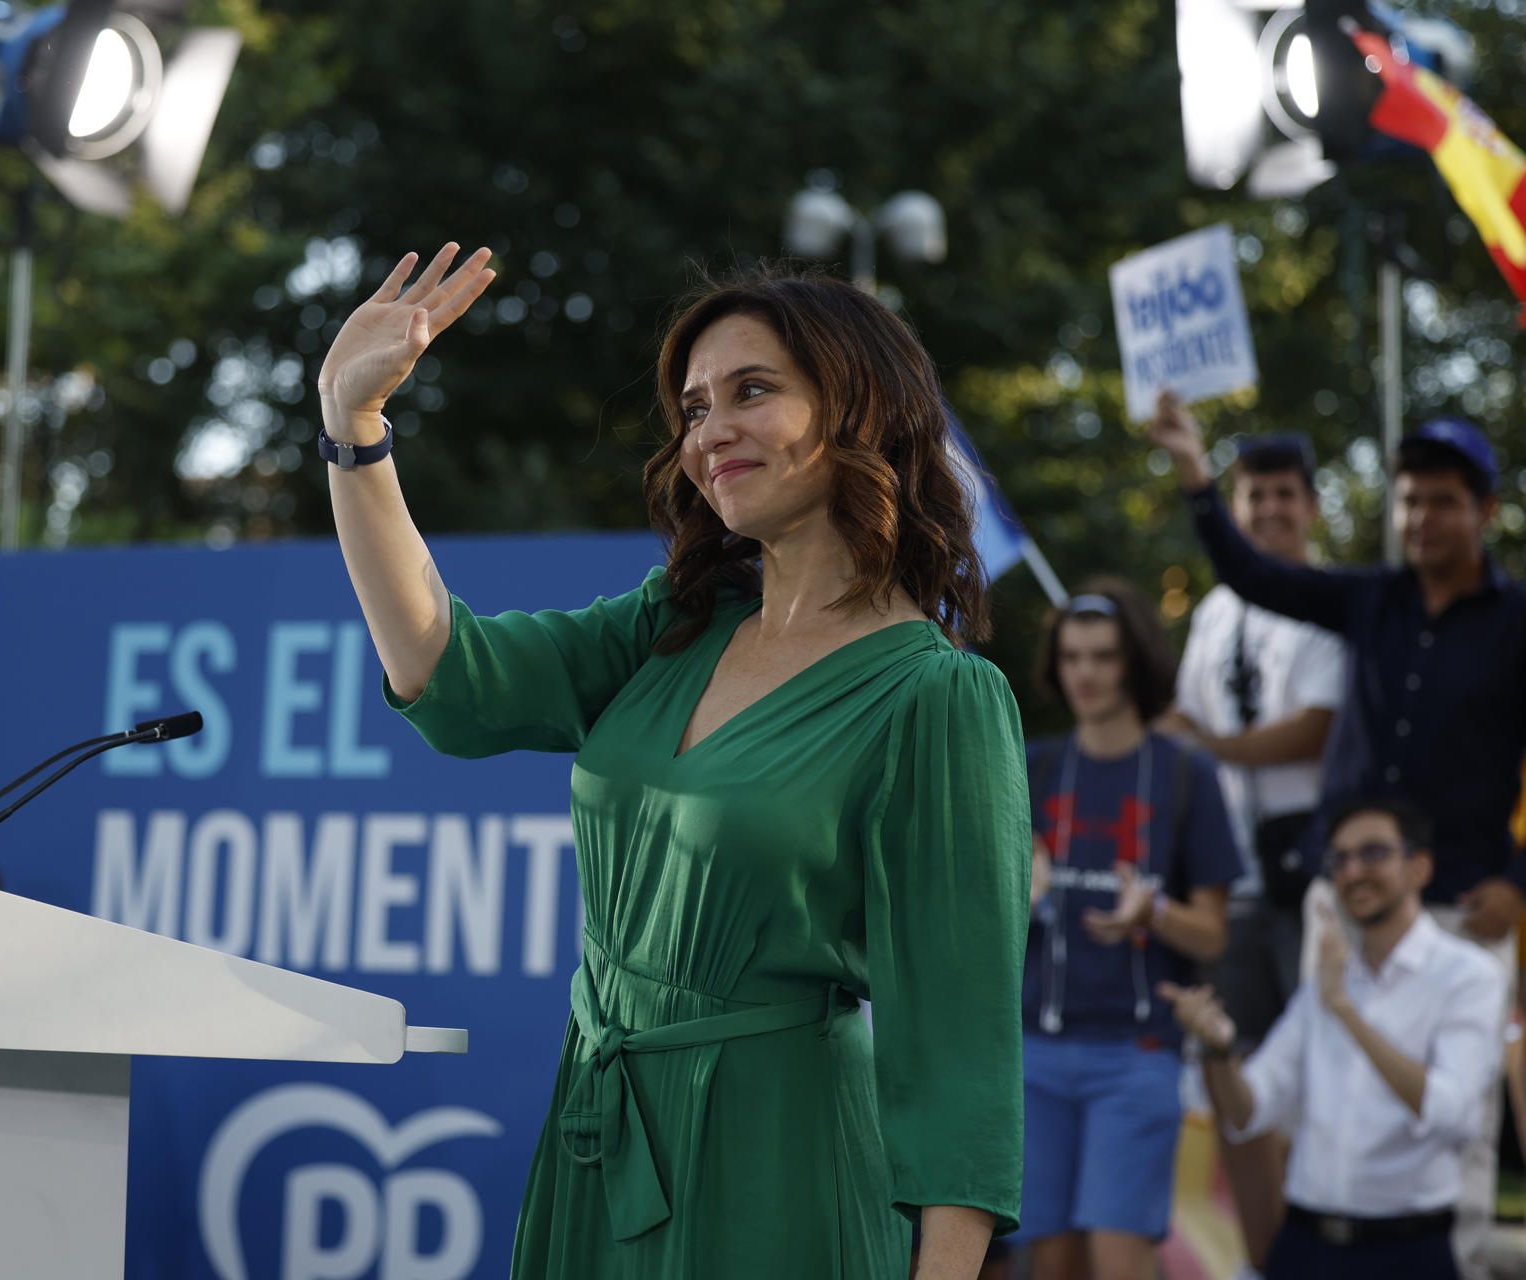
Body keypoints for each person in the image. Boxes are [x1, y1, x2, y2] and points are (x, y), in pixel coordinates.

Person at [315, 245, 1028, 1278]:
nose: (711, 432)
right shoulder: (672, 625)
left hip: (778, 1172)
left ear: (859, 407)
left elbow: (959, 1057)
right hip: (597, 1143)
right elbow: (446, 670)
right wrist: (355, 429)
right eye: (695, 408)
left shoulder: (937, 697)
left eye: (752, 391)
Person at [1150, 394, 1526, 1275]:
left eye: (1441, 500)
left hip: (1460, 911)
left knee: (1452, 1129)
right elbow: (1254, 574)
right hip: (1345, 896)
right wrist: (1196, 476)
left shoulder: (1517, 624)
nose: (1420, 517)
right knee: (1329, 1100)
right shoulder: (1372, 600)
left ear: (1484, 511)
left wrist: (1519, 875)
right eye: (1407, 498)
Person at [1162, 794, 1506, 1279]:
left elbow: (1449, 1112)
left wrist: (1347, 1012)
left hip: (1409, 1247)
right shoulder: (1328, 980)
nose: (1353, 871)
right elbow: (1248, 1110)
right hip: (1306, 1245)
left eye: (1374, 853)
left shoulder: (1468, 975)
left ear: (1419, 867)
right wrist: (1216, 1050)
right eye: (1339, 858)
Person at [1016, 579, 1242, 1280]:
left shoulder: (1186, 775)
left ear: (1135, 661)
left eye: (1104, 657)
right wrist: (1012, 892)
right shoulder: (1030, 767)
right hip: (1033, 1052)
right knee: (1045, 1260)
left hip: (1137, 1052)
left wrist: (1156, 913)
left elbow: (1213, 936)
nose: (1085, 672)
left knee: (1118, 1257)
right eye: (1073, 656)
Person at [1169, 432, 1344, 1270]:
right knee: (1228, 1074)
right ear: (1233, 510)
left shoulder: (1332, 600)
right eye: (1255, 495)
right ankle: (1261, 1257)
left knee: (1322, 1076)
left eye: (1286, 495)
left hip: (1315, 880)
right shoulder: (1210, 614)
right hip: (1230, 883)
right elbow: (1183, 729)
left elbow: (1317, 730)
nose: (1271, 509)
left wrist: (1212, 747)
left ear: (1311, 507)